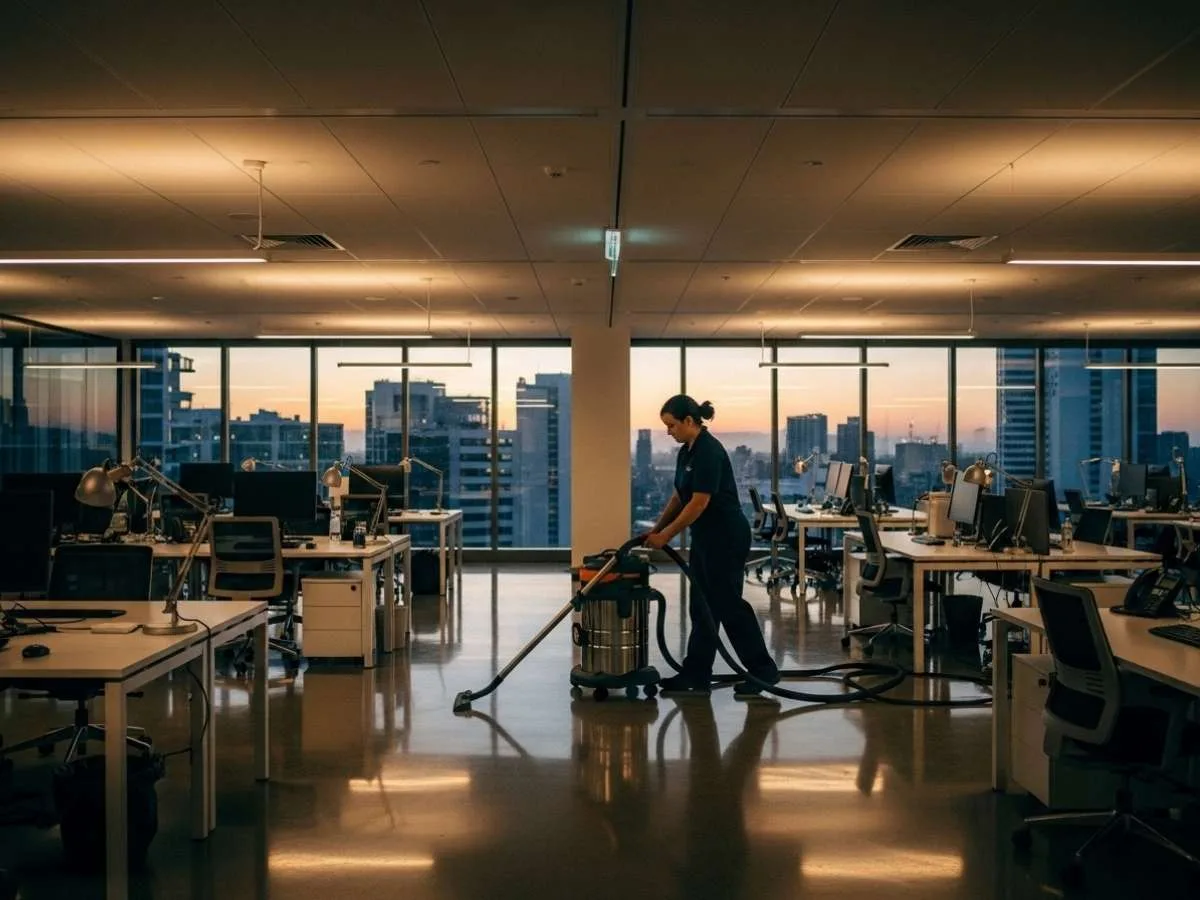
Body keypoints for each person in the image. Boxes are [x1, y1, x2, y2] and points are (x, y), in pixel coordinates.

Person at [644, 395, 779, 697]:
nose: (669, 432)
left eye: (671, 425)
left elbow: (699, 503)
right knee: (701, 607)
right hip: (705, 538)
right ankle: (697, 673)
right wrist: (657, 528)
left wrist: (665, 538)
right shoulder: (686, 453)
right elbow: (680, 497)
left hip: (726, 537)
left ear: (689, 421)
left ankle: (763, 670)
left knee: (727, 605)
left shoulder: (709, 451)